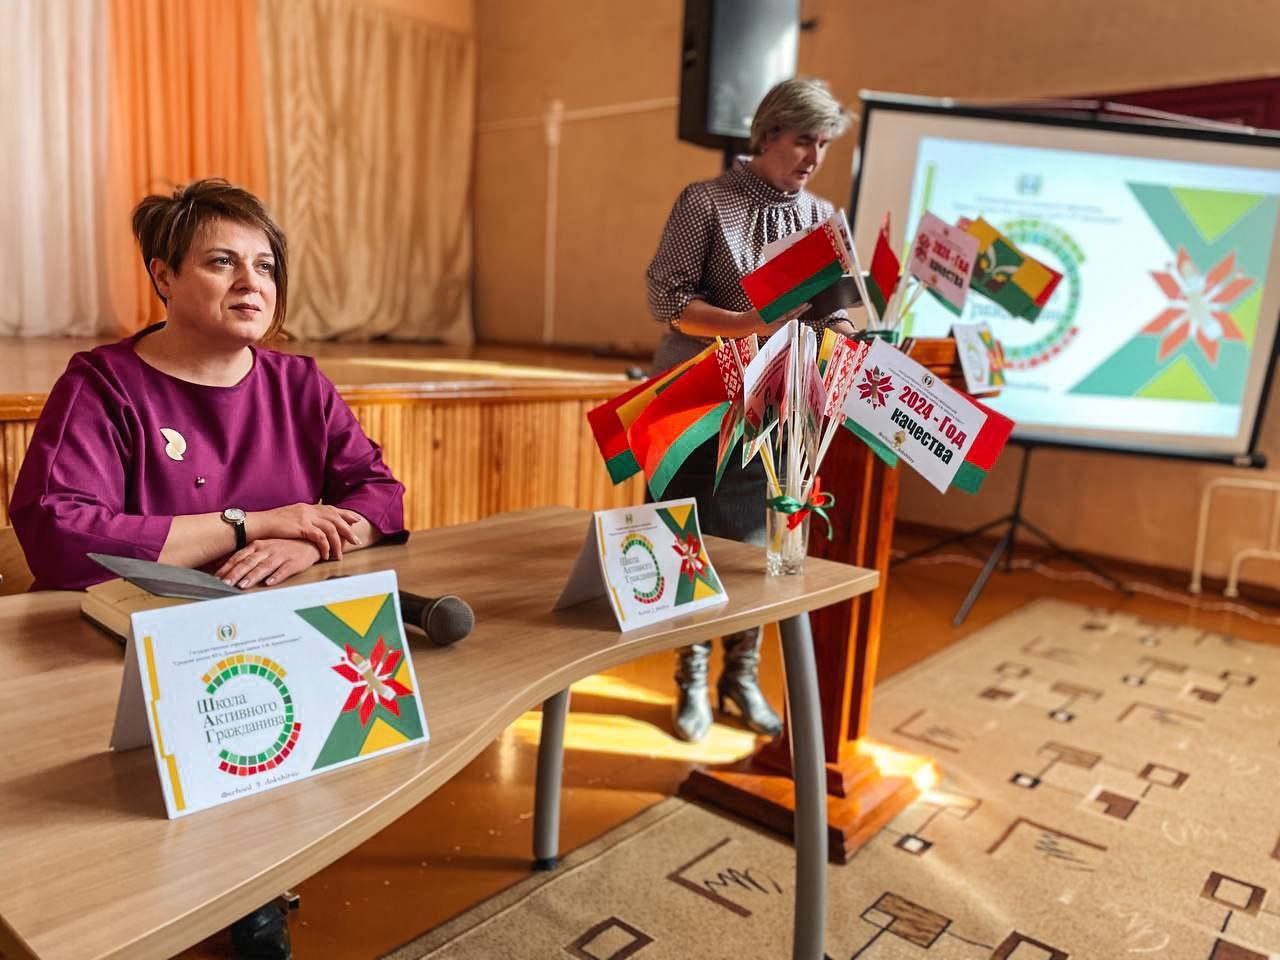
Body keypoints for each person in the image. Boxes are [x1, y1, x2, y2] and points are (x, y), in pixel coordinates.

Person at [9, 178, 407, 960]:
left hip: (262, 649)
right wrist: (250, 522)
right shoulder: (102, 383)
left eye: (265, 265)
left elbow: (379, 494)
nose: (252, 283)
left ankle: (252, 888)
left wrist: (309, 540)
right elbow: (58, 533)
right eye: (222, 262)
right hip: (117, 657)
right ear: (162, 277)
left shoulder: (299, 384)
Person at [645, 77, 855, 742]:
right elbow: (667, 301)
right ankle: (691, 676)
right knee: (692, 543)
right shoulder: (704, 201)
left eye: (824, 144)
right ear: (766, 135)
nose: (814, 158)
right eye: (803, 140)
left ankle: (741, 676)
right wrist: (747, 324)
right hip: (698, 402)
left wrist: (849, 340)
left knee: (765, 550)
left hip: (783, 405)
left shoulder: (825, 217)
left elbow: (835, 313)